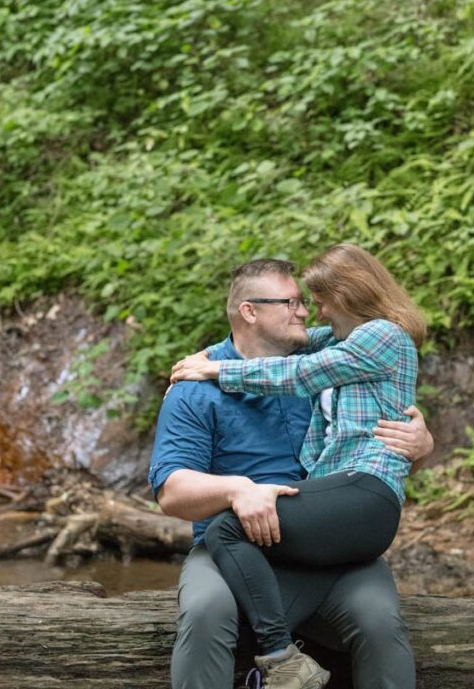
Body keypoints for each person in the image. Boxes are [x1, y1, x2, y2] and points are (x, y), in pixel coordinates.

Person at [150, 256, 433, 689]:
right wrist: (236, 490)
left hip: (322, 532)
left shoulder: (318, 360)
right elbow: (171, 491)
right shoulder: (194, 388)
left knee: (379, 620)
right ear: (250, 311)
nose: (305, 311)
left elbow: (356, 419)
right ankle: (280, 657)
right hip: (233, 543)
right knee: (207, 610)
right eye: (292, 302)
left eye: (308, 301)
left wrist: (422, 445)